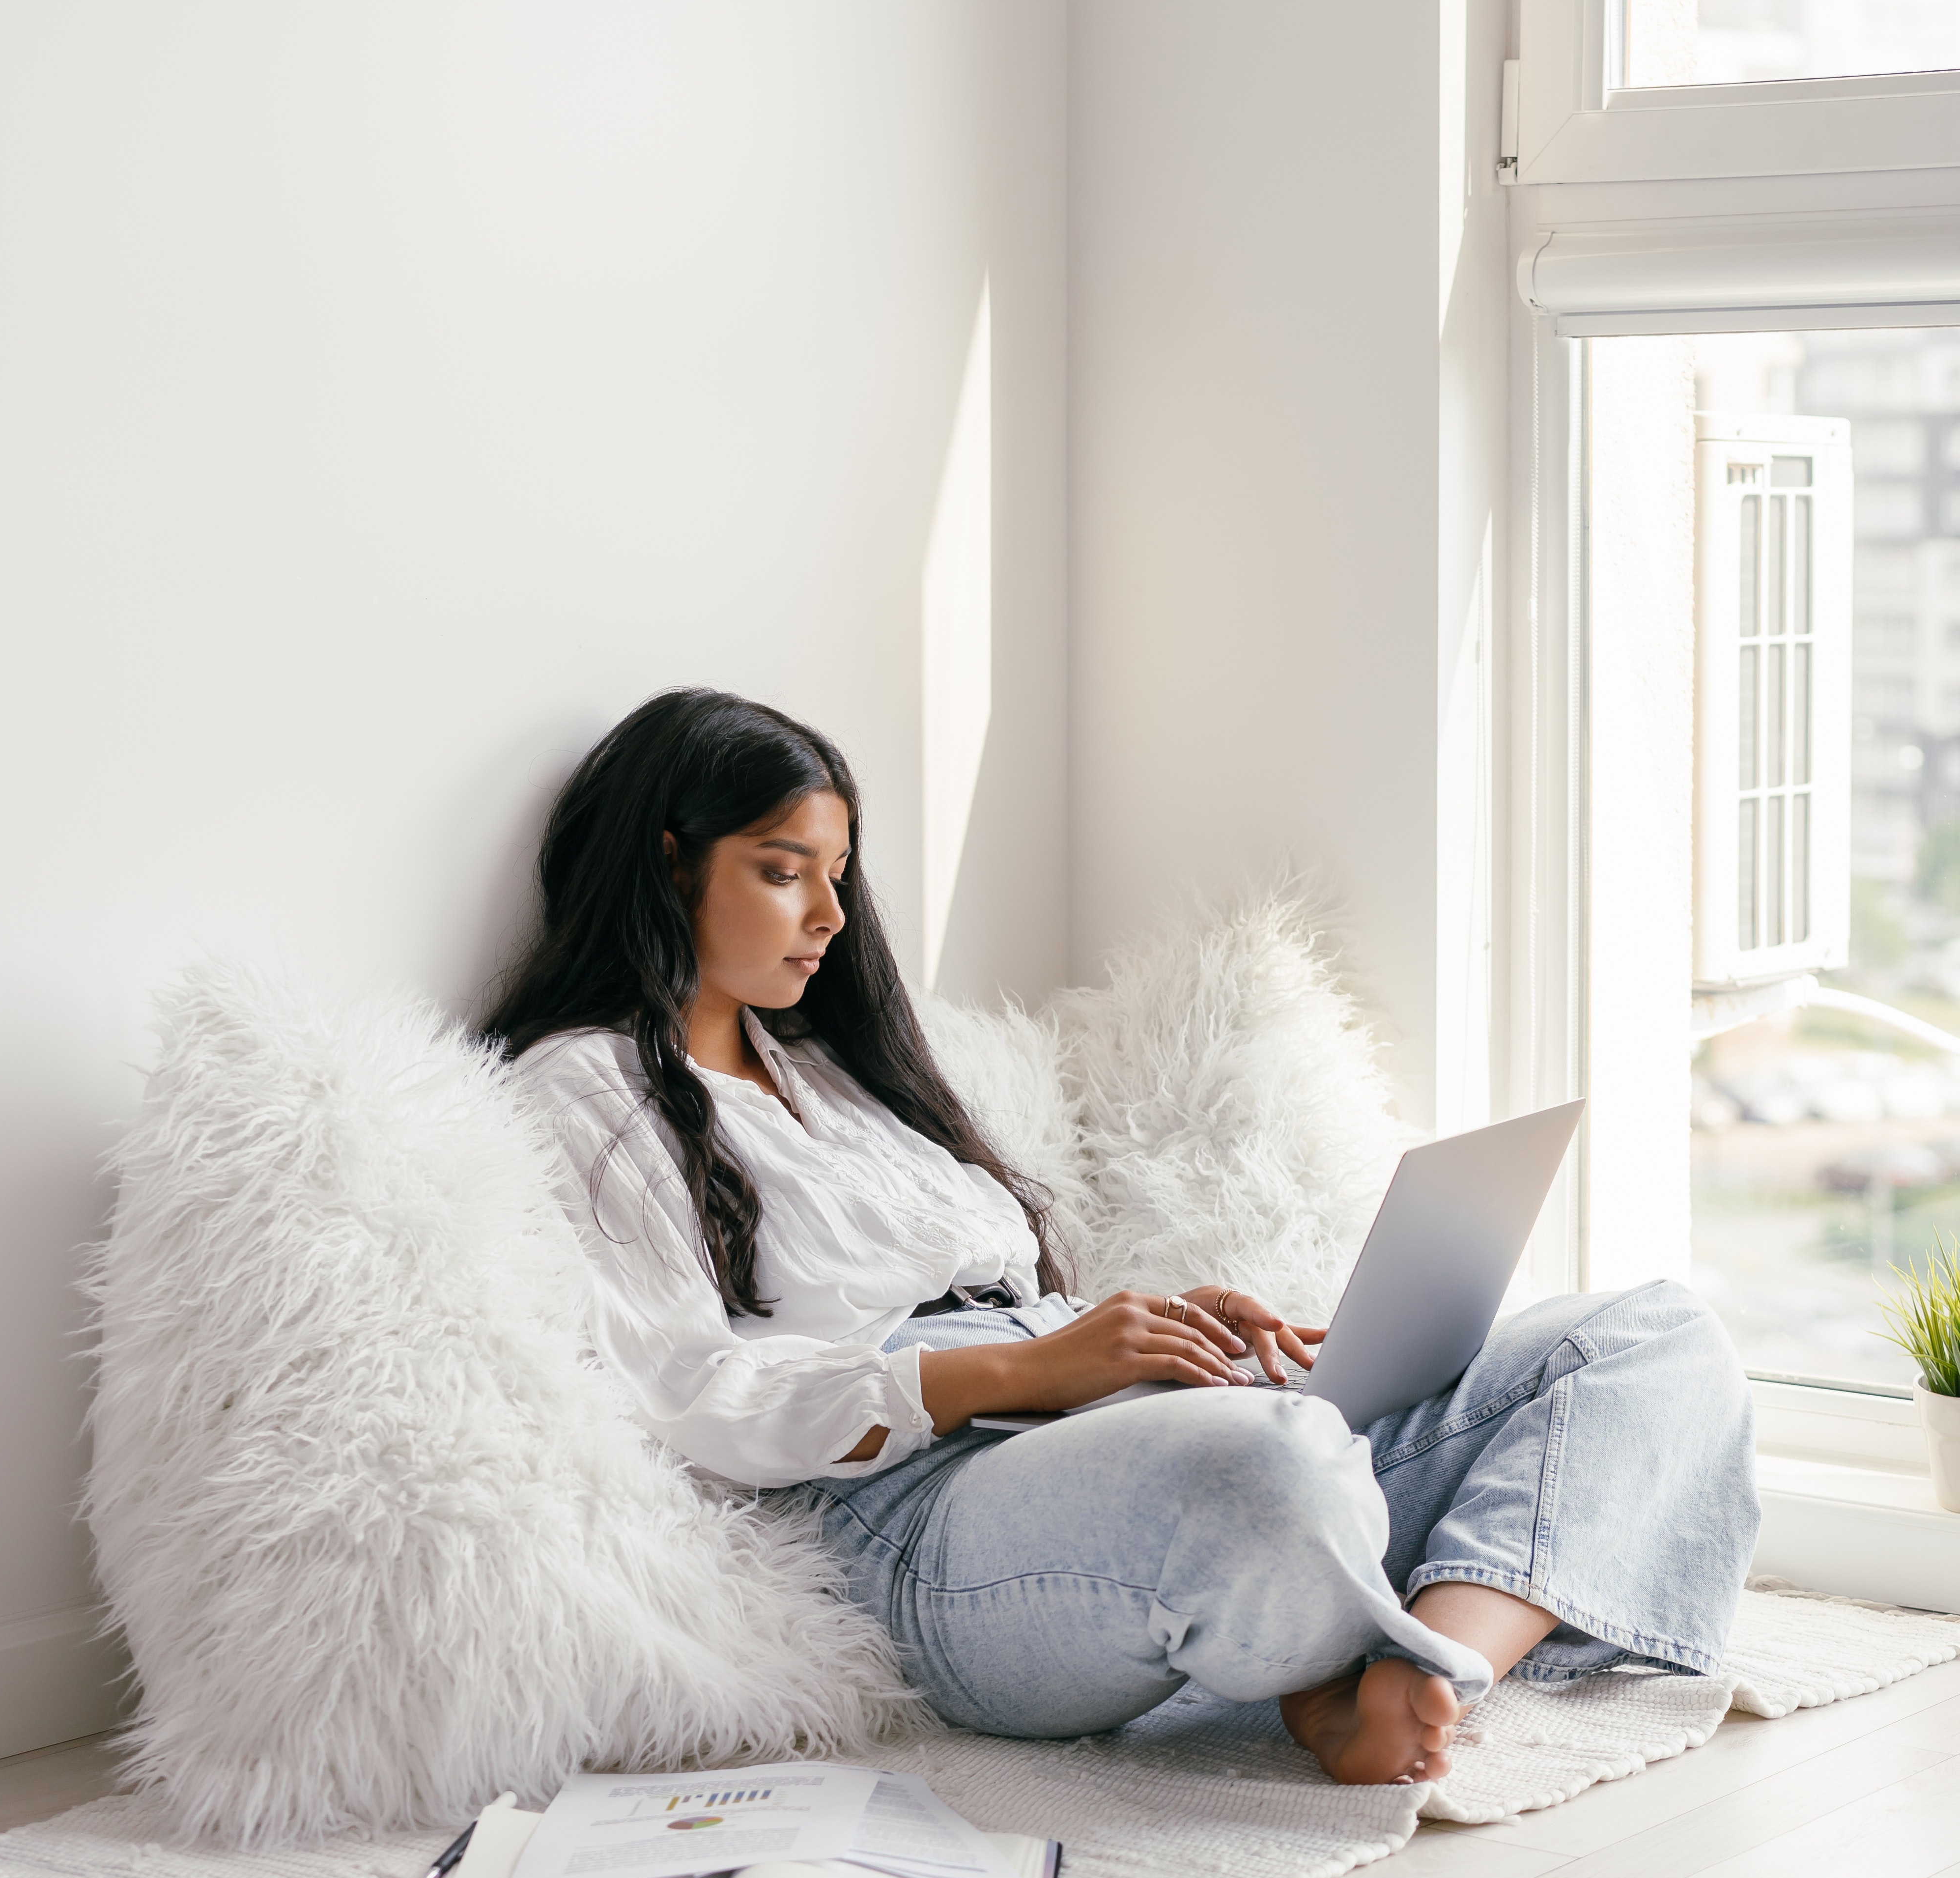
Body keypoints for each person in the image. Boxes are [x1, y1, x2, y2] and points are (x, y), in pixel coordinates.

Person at [486, 688, 1759, 1787]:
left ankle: (1426, 1671)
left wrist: (1151, 1334)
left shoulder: (834, 1073)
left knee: (1654, 1340)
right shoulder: (586, 1089)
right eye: (782, 870)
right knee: (1275, 1470)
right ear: (667, 865)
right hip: (922, 1515)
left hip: (1078, 1434)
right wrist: (1029, 1372)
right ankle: (1343, 1639)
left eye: (836, 873)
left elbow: (1001, 1292)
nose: (827, 914)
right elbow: (691, 1394)